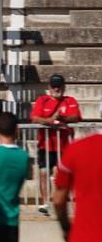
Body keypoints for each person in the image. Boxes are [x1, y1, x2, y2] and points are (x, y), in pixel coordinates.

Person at [30, 73, 81, 214]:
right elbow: (34, 118)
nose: (56, 89)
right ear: (49, 87)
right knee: (43, 172)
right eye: (54, 86)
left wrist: (62, 118)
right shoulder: (43, 100)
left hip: (64, 146)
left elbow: (76, 117)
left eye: (59, 86)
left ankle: (61, 202)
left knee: (61, 174)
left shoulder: (70, 100)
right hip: (45, 145)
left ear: (64, 87)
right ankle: (45, 203)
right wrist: (50, 120)